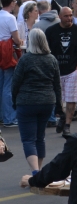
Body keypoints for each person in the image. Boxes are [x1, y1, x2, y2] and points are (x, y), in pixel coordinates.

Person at [11, 28, 61, 171]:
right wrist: (58, 106)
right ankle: (39, 171)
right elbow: (57, 85)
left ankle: (35, 171)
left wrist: (15, 101)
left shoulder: (25, 59)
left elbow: (15, 83)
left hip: (26, 102)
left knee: (28, 139)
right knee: (40, 137)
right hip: (47, 102)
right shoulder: (52, 59)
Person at [45, 7, 77, 137]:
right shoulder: (51, 31)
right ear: (59, 16)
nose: (69, 18)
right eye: (66, 16)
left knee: (71, 99)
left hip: (72, 70)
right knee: (55, 99)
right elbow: (46, 50)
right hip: (55, 71)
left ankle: (67, 125)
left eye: (71, 15)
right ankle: (62, 117)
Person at [0, 0, 21, 127]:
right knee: (8, 86)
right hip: (7, 52)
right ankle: (9, 118)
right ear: (12, 3)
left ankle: (3, 117)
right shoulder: (10, 18)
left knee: (1, 85)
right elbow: (17, 40)